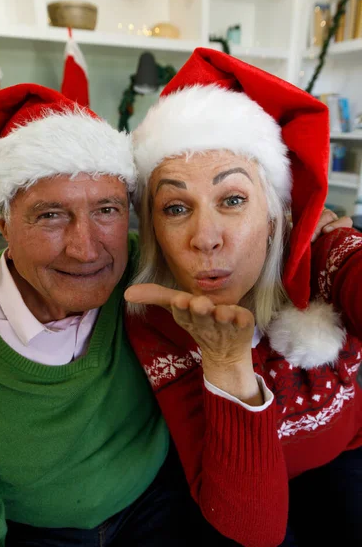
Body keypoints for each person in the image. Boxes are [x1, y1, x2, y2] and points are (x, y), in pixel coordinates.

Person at [125, 48, 362, 547]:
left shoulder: (327, 253)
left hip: (348, 457)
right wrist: (225, 360)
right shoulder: (158, 316)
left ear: (276, 213)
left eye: (232, 200)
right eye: (175, 207)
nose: (205, 237)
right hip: (252, 487)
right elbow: (252, 527)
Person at [0, 83, 210, 547]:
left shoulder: (149, 270)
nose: (86, 249)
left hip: (157, 499)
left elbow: (253, 262)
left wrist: (314, 236)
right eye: (51, 215)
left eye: (107, 210)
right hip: (42, 532)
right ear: (1, 221)